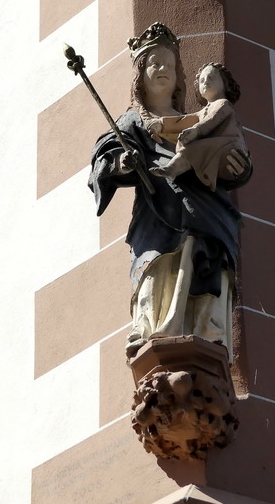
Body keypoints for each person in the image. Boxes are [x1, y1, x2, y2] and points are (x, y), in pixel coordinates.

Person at [88, 23, 252, 360]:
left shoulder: (198, 121)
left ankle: (208, 331)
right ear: (140, 74)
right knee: (158, 264)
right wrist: (123, 163)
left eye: (169, 64)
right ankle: (151, 327)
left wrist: (240, 169)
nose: (163, 69)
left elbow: (229, 151)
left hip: (208, 211)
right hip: (159, 211)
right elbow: (105, 157)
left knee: (206, 260)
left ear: (179, 76)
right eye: (154, 63)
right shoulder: (133, 121)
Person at [148, 62, 247, 191]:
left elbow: (212, 120)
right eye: (202, 80)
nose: (205, 82)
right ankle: (171, 169)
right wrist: (162, 124)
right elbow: (186, 120)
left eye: (211, 77)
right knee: (190, 147)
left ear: (225, 83)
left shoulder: (223, 104)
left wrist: (196, 131)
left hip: (230, 147)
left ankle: (172, 169)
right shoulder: (204, 111)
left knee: (194, 147)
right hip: (216, 147)